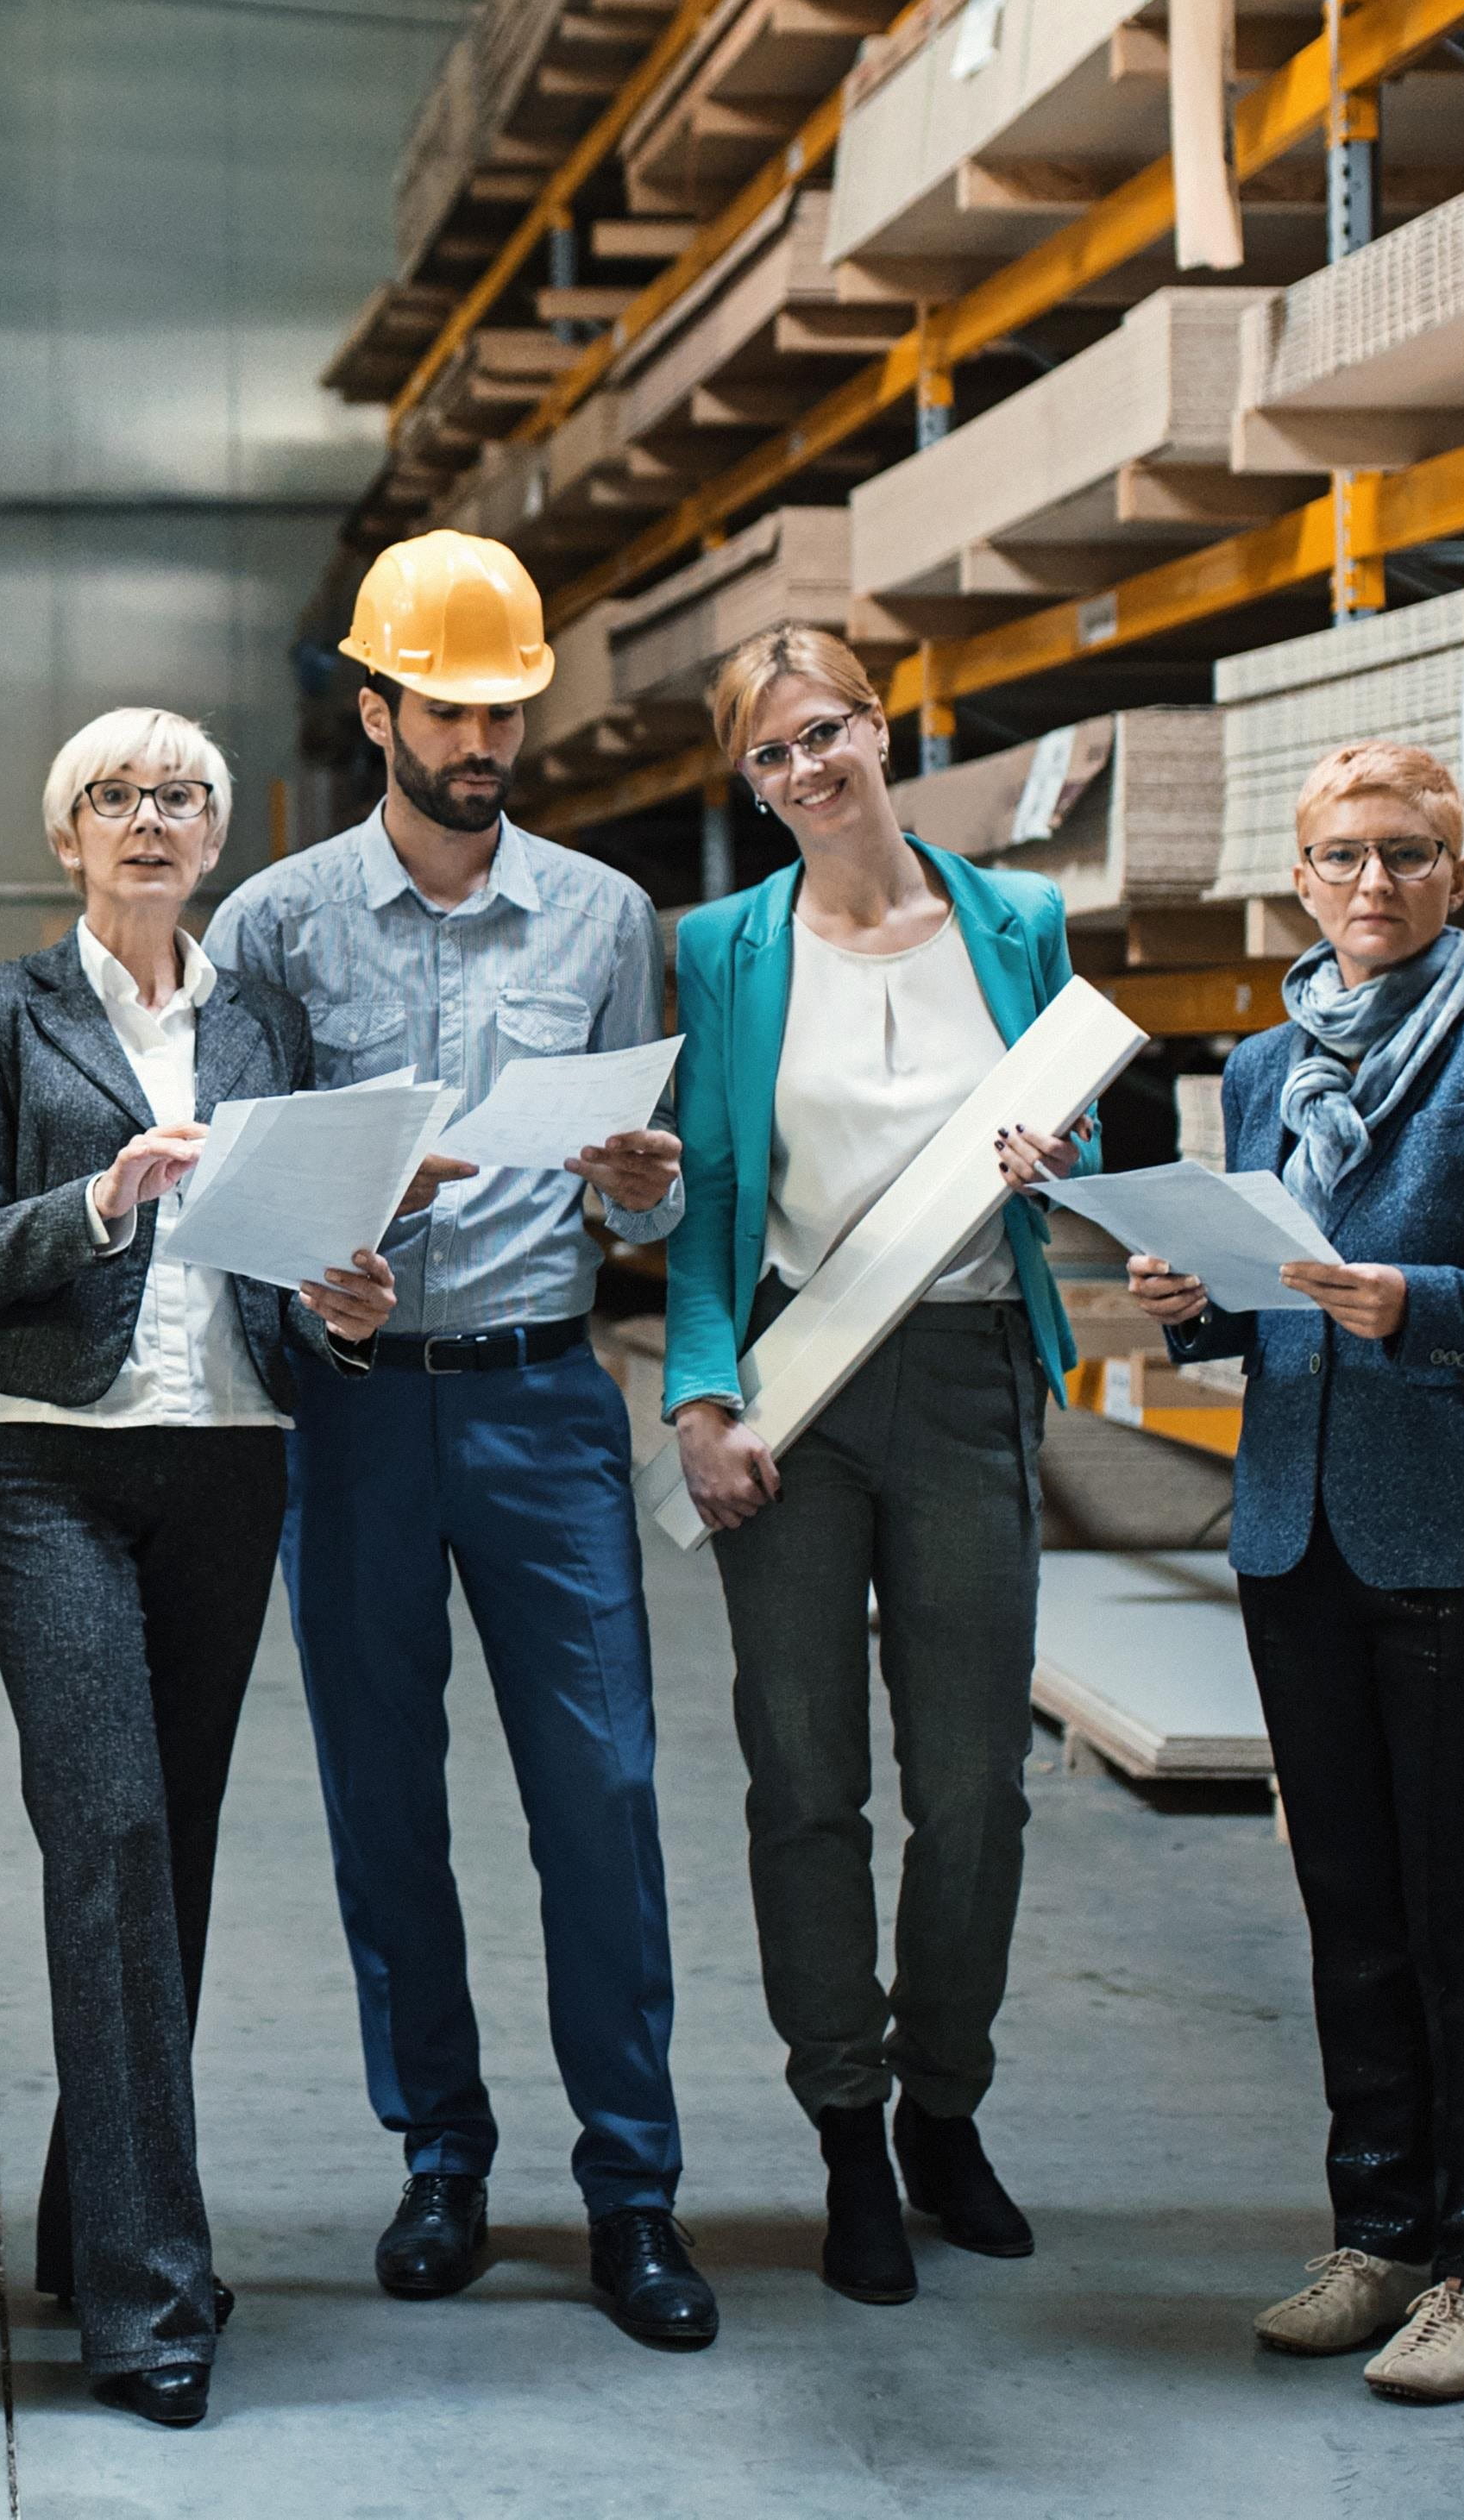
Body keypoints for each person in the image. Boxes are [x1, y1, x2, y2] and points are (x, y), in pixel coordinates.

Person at [210, 529, 715, 2353]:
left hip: (539, 1403)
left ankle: (634, 2189)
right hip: (353, 1421)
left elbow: (644, 1212)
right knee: (384, 1809)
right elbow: (239, 1201)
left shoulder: (599, 919)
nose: (483, 737)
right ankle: (438, 2151)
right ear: (377, 711)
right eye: (449, 707)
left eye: (505, 706)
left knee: (601, 1798)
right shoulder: (273, 925)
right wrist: (303, 1293)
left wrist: (650, 1190)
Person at [1122, 738, 1464, 2404]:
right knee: (1350, 1911)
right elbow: (1266, 1294)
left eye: (1405, 854)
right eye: (1341, 856)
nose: (1370, 885)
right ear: (1301, 873)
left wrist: (1428, 1301)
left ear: (1456, 876)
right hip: (1298, 1534)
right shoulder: (1265, 1067)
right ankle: (1380, 2233)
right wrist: (1190, 1297)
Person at [0, 707, 400, 2430]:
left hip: (230, 1460)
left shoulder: (262, 1021)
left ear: (214, 841)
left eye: (178, 798)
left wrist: (344, 1316)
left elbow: (297, 1259)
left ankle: (84, 2210)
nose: (147, 819)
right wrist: (102, 1203)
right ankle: (146, 2296)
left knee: (167, 1853)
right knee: (106, 1828)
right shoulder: (0, 1010)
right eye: (112, 797)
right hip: (50, 1459)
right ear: (66, 836)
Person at [663, 622, 1088, 2310]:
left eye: (822, 731)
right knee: (803, 1773)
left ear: (881, 725)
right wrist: (701, 1401)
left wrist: (1059, 1160)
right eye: (767, 756)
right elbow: (702, 1196)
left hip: (972, 1366)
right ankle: (845, 2123)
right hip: (794, 1375)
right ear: (749, 784)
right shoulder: (718, 946)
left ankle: (946, 2109)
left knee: (975, 1780)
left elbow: (1084, 1143)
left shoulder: (1020, 922)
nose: (804, 772)